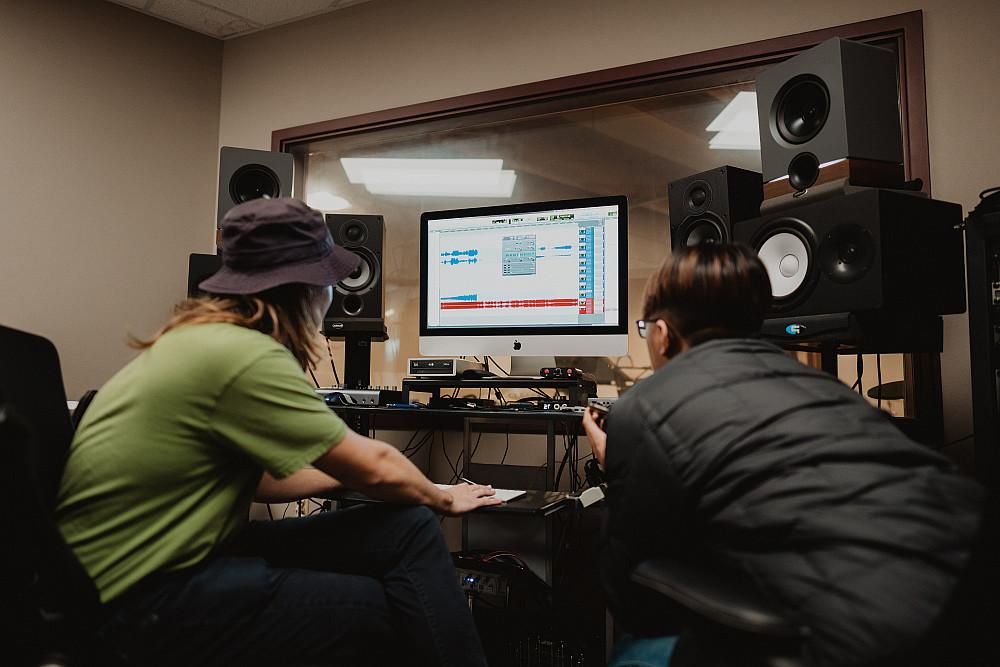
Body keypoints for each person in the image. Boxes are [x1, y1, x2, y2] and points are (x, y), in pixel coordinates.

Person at [55, 197, 501, 667]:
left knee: (406, 527)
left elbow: (265, 483)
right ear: (305, 287)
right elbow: (379, 463)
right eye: (329, 279)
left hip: (135, 572)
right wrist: (443, 497)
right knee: (371, 606)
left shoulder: (200, 339)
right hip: (137, 597)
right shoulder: (245, 354)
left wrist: (362, 479)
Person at [581, 243, 993, 667]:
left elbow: (631, 601)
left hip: (876, 636)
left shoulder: (646, 405)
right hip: (979, 591)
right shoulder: (818, 384)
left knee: (635, 651)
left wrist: (617, 466)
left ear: (663, 334)